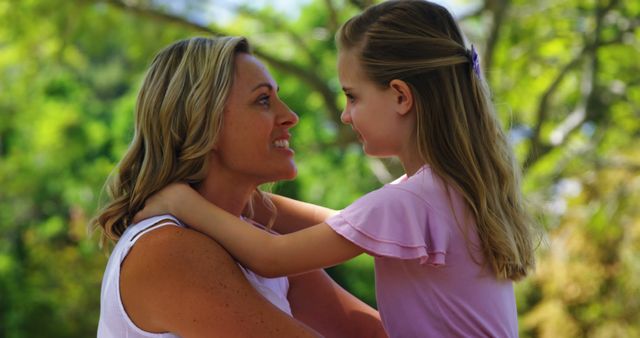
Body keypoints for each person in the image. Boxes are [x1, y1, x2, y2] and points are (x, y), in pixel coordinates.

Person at [137, 1, 538, 336]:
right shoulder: (442, 192)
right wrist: (237, 199)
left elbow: (271, 256)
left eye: (352, 96)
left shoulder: (409, 201)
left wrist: (181, 202)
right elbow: (336, 224)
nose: (345, 116)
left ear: (400, 96)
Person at [92, 36, 387, 337]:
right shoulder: (168, 249)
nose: (290, 117)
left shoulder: (251, 238)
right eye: (263, 100)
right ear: (204, 121)